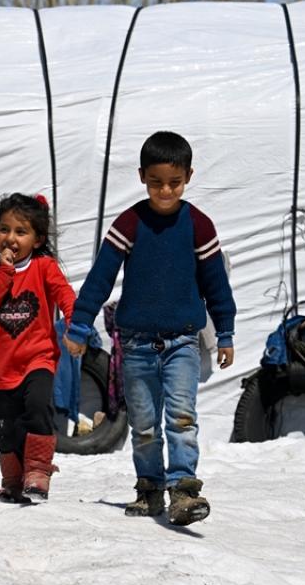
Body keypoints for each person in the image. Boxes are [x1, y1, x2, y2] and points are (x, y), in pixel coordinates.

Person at [63, 131, 236, 526]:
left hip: (182, 343)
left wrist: (224, 332)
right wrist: (79, 325)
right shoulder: (130, 223)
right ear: (142, 176)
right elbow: (101, 277)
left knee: (180, 416)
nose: (165, 190)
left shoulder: (198, 225)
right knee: (143, 425)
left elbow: (216, 285)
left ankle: (184, 491)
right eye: (156, 182)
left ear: (189, 175)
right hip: (137, 346)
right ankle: (150, 488)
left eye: (174, 182)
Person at [0, 193, 76, 503]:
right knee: (6, 428)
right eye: (4, 229)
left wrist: (75, 322)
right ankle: (13, 479)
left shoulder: (44, 267)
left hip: (38, 358)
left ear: (37, 239)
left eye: (21, 232)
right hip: (1, 367)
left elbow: (64, 294)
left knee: (37, 408)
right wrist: (5, 272)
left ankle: (38, 471)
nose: (10, 238)